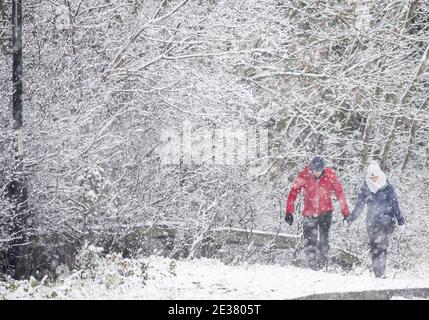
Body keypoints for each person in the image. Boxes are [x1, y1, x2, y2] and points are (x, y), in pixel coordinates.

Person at [285, 157, 350, 270]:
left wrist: (346, 213)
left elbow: (339, 193)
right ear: (311, 168)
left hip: (325, 213)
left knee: (324, 240)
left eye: (319, 170)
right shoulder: (304, 175)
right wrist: (289, 212)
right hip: (309, 213)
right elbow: (293, 192)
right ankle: (313, 266)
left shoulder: (330, 175)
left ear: (323, 169)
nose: (317, 173)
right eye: (315, 170)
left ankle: (322, 265)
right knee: (309, 240)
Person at [346, 160, 405, 278]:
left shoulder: (387, 187)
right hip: (371, 223)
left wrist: (400, 221)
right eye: (371, 177)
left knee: (382, 246)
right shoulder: (365, 188)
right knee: (374, 247)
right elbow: (359, 206)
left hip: (387, 222)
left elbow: (395, 204)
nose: (374, 180)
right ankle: (377, 273)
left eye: (376, 177)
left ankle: (381, 273)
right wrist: (350, 219)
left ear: (380, 174)